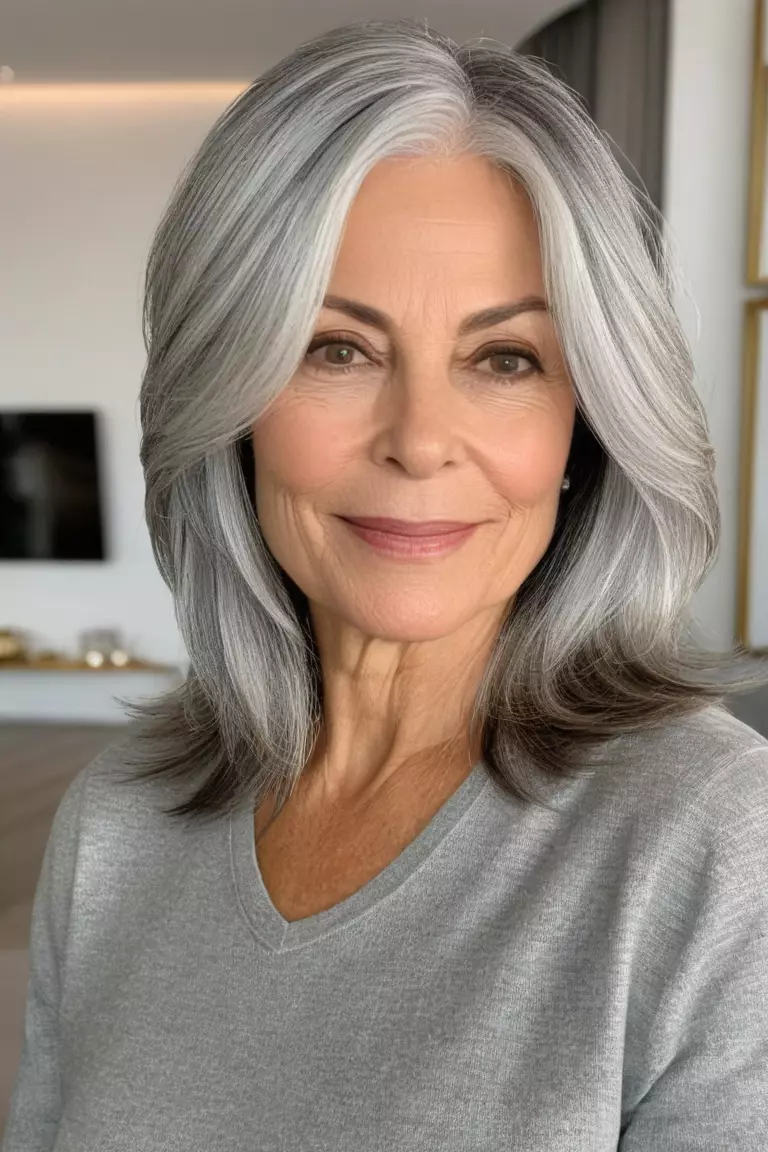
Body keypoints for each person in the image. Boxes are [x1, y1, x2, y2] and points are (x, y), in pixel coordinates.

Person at [4, 17, 768, 1152]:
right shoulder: (118, 821)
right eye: (338, 349)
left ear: (587, 425)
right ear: (232, 402)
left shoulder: (718, 843)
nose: (418, 441)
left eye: (504, 359)